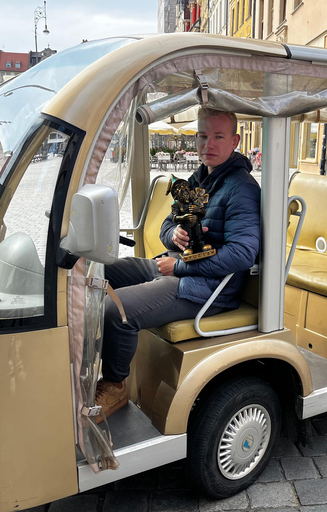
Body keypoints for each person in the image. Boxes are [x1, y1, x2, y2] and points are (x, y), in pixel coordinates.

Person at [94, 108, 261, 419]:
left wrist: (181, 267)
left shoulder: (242, 188)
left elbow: (242, 254)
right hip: (174, 266)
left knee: (115, 310)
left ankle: (115, 386)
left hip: (207, 288)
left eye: (218, 136)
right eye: (203, 136)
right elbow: (166, 226)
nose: (208, 144)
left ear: (235, 141)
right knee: (98, 271)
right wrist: (174, 236)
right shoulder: (199, 179)